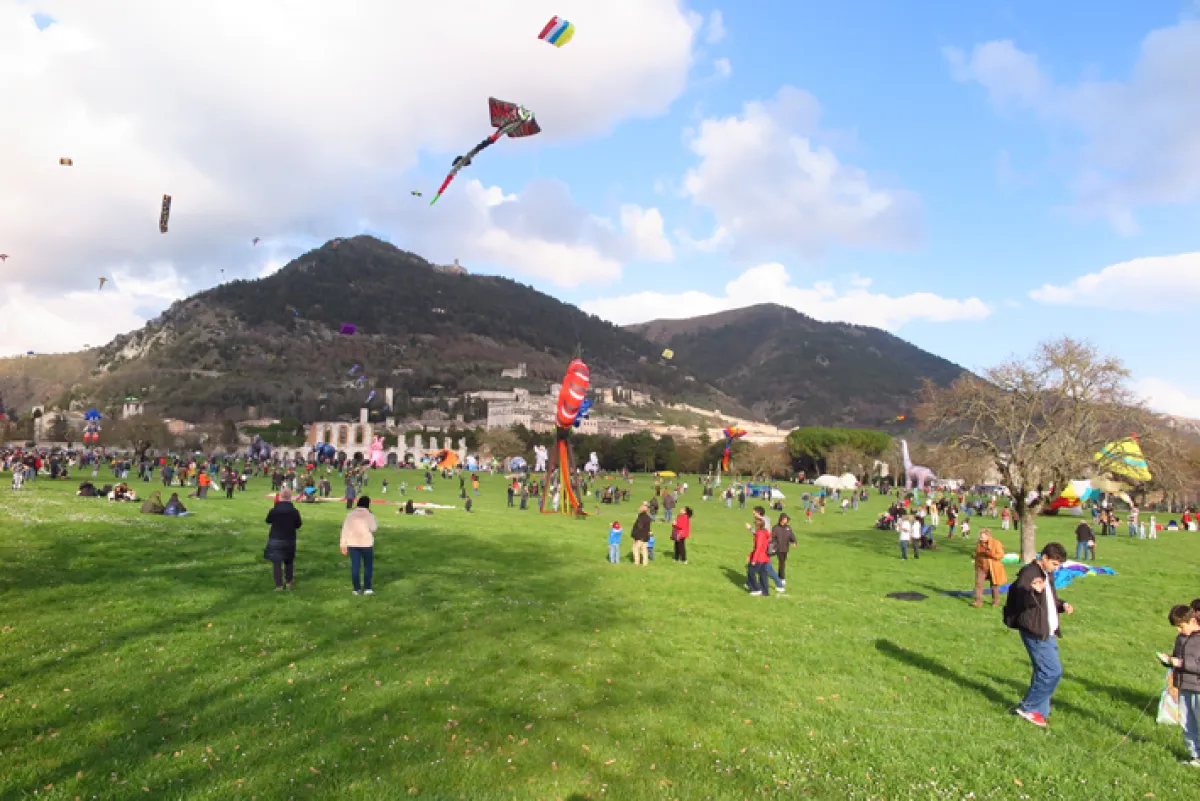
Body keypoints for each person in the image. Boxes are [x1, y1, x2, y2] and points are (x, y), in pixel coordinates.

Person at [1003, 542, 1074, 727]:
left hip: (1048, 630)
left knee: (1043, 671)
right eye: (1054, 564)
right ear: (1044, 558)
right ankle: (1028, 707)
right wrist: (1031, 592)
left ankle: (1039, 712)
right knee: (1052, 671)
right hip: (1035, 630)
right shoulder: (1028, 574)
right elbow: (1020, 598)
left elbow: (1050, 599)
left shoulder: (1047, 574)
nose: (1055, 568)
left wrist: (1062, 605)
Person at [1165, 605, 1200, 766]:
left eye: (1181, 626)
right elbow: (1176, 658)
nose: (1179, 630)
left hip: (1198, 688)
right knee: (1187, 722)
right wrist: (1168, 661)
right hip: (1184, 686)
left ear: (1192, 621)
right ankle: (1195, 756)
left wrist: (1183, 663)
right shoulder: (1180, 638)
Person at [264, 488, 302, 591]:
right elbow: (298, 525)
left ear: (280, 497)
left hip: (276, 538)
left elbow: (268, 520)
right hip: (289, 538)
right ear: (290, 498)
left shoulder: (274, 510)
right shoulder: (294, 512)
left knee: (277, 562)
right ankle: (289, 582)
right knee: (289, 561)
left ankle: (279, 585)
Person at [340, 496, 378, 595]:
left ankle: (356, 589)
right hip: (366, 543)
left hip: (353, 543)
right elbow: (374, 528)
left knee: (355, 566)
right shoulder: (369, 515)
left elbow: (345, 530)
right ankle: (367, 588)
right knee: (367, 566)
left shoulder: (350, 515)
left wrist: (343, 544)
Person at [972, 528, 1007, 608]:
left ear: (987, 536)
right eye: (980, 536)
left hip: (993, 567)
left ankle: (995, 602)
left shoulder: (996, 543)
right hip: (981, 567)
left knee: (994, 585)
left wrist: (991, 554)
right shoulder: (979, 543)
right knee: (978, 584)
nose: (980, 537)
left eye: (982, 536)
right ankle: (978, 601)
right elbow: (977, 553)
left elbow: (1001, 555)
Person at [745, 510, 774, 597]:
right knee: (763, 574)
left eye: (755, 524)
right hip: (765, 558)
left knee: (751, 572)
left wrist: (753, 559)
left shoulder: (760, 534)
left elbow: (758, 548)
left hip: (759, 558)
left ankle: (756, 589)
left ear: (758, 525)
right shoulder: (765, 533)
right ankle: (765, 592)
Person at [770, 513, 796, 581]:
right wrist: (771, 548)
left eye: (787, 519)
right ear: (781, 519)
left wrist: (794, 541)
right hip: (777, 548)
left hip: (784, 548)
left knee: (782, 563)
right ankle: (781, 577)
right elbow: (772, 538)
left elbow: (791, 535)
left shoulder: (788, 528)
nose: (786, 520)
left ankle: (781, 577)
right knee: (779, 562)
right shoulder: (775, 528)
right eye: (785, 519)